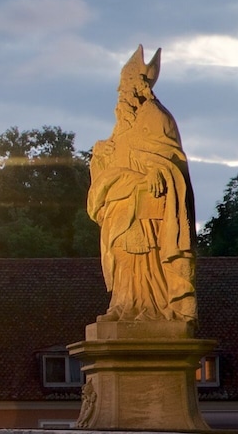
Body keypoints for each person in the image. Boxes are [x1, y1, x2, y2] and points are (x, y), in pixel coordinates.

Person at [87, 46, 196, 322]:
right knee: (124, 254)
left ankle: (152, 308)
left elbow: (171, 160)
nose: (120, 93)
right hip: (123, 204)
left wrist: (154, 171)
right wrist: (103, 154)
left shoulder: (156, 118)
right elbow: (119, 156)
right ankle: (125, 305)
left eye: (125, 86)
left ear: (140, 86)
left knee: (147, 257)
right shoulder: (125, 123)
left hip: (149, 206)